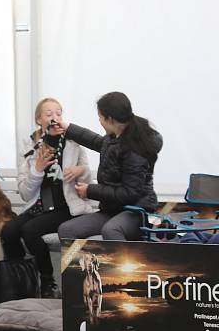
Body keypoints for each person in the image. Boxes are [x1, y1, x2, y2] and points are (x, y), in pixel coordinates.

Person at [0, 98, 93, 298]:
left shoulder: (73, 141)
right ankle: (23, 280)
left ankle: (47, 281)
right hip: (39, 206)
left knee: (30, 231)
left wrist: (80, 170)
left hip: (66, 207)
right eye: (49, 114)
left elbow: (87, 175)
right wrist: (37, 169)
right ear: (38, 120)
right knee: (8, 230)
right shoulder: (29, 145)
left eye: (58, 113)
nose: (55, 118)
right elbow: (25, 193)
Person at [57, 91, 162, 241]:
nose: (99, 121)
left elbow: (130, 193)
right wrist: (68, 129)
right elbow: (97, 142)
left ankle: (124, 265)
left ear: (110, 119)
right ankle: (87, 265)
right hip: (111, 210)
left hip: (136, 211)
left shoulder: (135, 148)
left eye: (100, 117)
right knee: (67, 230)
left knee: (111, 230)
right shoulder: (115, 137)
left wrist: (90, 190)